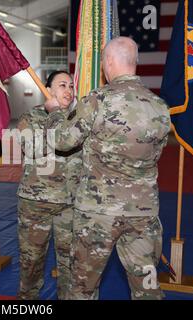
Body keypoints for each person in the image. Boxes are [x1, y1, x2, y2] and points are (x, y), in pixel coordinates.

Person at [45, 37, 171, 300]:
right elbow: (156, 153)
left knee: (82, 288)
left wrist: (55, 113)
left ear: (109, 62)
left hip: (97, 213)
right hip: (143, 213)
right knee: (147, 289)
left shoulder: (97, 99)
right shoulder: (159, 106)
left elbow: (62, 141)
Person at [16, 71, 82, 300]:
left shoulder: (78, 119)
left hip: (70, 205)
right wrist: (55, 119)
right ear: (48, 90)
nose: (69, 90)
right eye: (62, 85)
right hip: (36, 204)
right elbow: (32, 149)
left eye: (71, 86)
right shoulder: (30, 117)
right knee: (31, 264)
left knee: (70, 266)